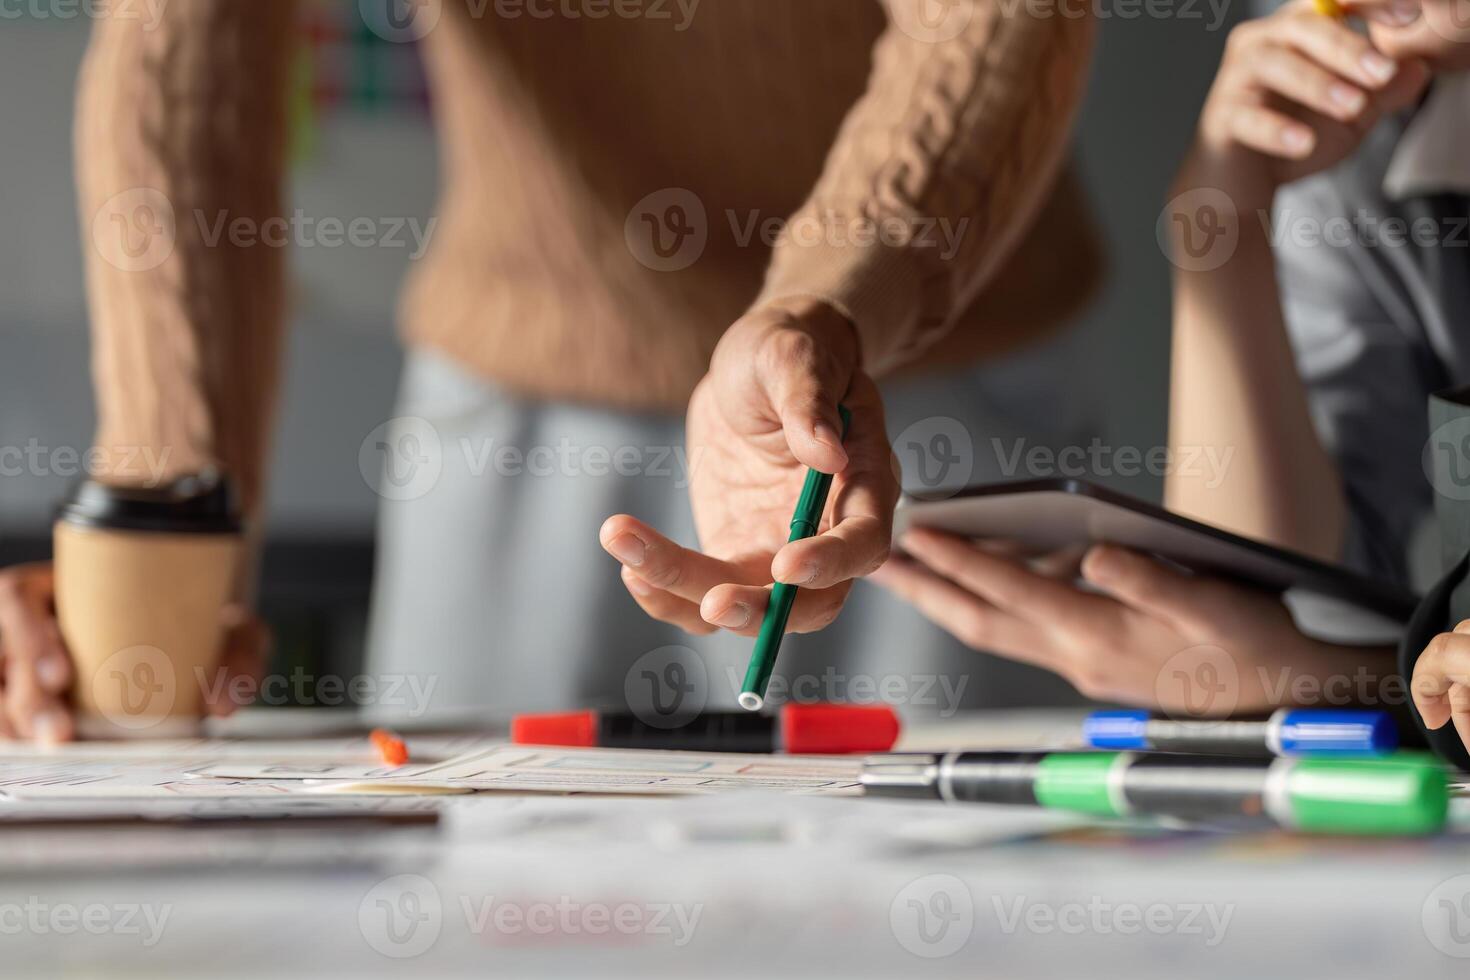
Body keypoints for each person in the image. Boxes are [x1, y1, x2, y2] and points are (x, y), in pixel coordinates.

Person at [0, 0, 1102, 740]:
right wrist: (161, 519)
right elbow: (188, 63)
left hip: (913, 372)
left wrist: (830, 303)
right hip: (520, 387)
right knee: (489, 902)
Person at [871, 0, 1470, 758]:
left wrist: (1321, 677)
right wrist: (1222, 226)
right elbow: (1282, 596)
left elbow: (1290, 657)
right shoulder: (1369, 145)